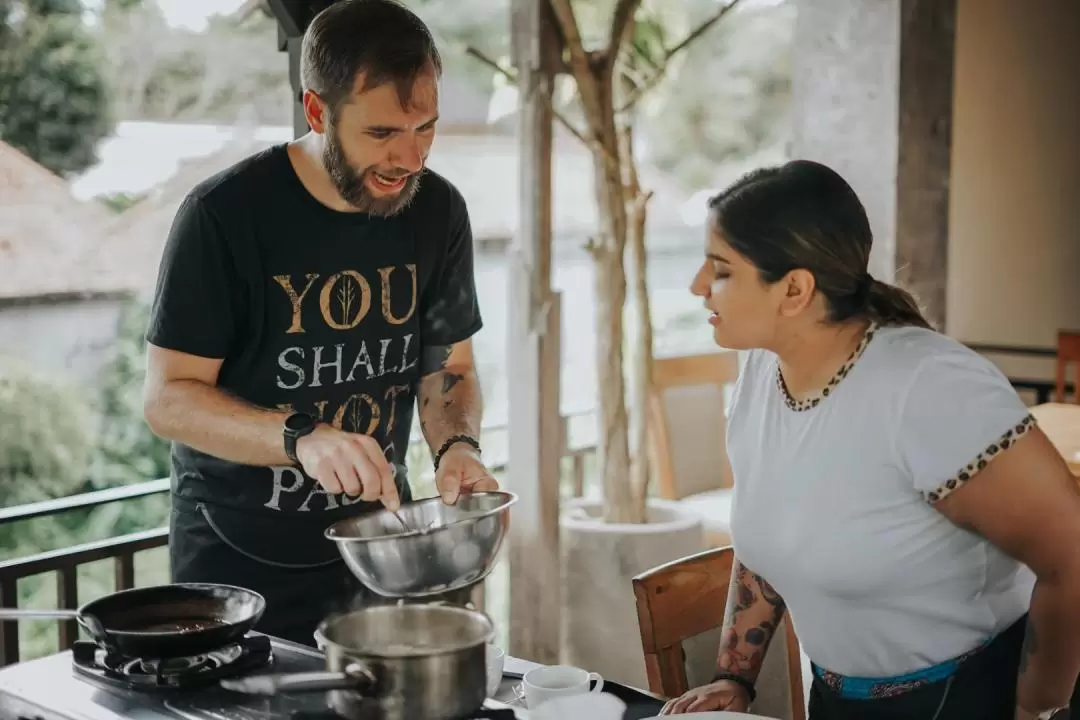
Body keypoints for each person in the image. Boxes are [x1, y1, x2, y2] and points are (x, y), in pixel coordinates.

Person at [660, 160, 1080, 719]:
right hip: (835, 697)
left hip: (964, 699)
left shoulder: (930, 389)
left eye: (721, 270)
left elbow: (1071, 555)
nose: (697, 286)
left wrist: (1033, 709)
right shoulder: (761, 372)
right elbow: (769, 535)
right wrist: (734, 677)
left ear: (794, 289)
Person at [142, 0, 497, 646]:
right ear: (316, 111)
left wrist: (457, 447)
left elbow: (450, 368)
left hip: (379, 560)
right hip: (235, 578)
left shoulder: (438, 212)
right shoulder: (224, 216)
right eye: (383, 134)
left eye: (426, 129)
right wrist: (300, 436)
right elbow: (168, 399)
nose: (410, 159)